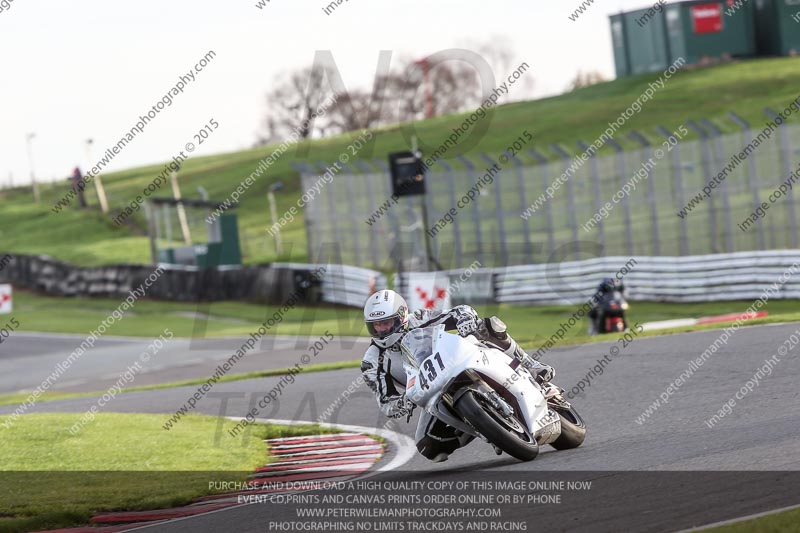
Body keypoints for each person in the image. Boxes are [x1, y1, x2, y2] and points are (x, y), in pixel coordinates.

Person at [361, 289, 555, 462]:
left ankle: (532, 365)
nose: (381, 330)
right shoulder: (371, 362)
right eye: (375, 326)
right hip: (431, 393)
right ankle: (484, 427)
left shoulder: (418, 319)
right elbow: (386, 402)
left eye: (386, 323)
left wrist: (465, 321)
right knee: (429, 447)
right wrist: (404, 402)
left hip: (456, 361)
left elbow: (459, 311)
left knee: (488, 325)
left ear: (401, 316)